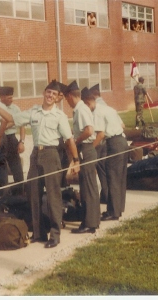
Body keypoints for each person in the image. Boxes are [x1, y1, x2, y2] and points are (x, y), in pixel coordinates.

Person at [0, 80, 80, 249]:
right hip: (36, 154)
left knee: (53, 197)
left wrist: (76, 160)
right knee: (33, 193)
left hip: (51, 155)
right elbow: (10, 118)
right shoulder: (34, 111)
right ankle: (39, 233)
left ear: (58, 97)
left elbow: (69, 139)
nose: (50, 96)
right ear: (44, 93)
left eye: (54, 94)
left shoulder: (59, 116)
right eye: (48, 92)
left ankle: (55, 234)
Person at [83, 92, 128, 222]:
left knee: (112, 177)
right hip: (122, 141)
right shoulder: (109, 109)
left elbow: (101, 134)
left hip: (113, 143)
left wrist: (91, 148)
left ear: (88, 102)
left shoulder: (97, 112)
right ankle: (119, 208)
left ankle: (113, 212)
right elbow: (122, 125)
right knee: (120, 177)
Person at [63, 82, 99, 234]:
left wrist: (75, 141)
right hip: (85, 149)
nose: (67, 102)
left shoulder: (81, 109)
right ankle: (90, 221)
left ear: (70, 96)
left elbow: (89, 131)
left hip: (86, 149)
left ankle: (90, 223)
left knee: (88, 188)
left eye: (66, 99)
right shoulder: (80, 109)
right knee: (86, 187)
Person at [0, 86, 25, 197]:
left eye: (12, 97)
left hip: (12, 139)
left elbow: (21, 125)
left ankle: (20, 193)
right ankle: (2, 195)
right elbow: (1, 125)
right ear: (1, 97)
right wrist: (12, 122)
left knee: (16, 166)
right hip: (1, 139)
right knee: (1, 168)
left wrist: (22, 141)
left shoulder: (16, 108)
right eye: (8, 98)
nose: (11, 100)